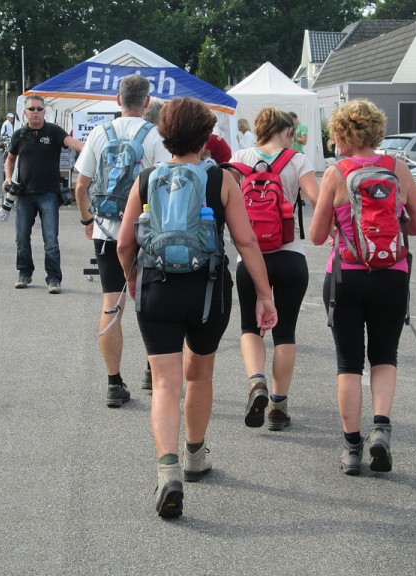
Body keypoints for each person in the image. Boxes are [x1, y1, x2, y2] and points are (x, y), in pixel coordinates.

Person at [116, 97, 278, 518]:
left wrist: (134, 280)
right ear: (206, 137)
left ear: (164, 135)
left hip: (157, 287)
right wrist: (264, 294)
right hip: (207, 290)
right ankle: (194, 454)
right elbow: (245, 241)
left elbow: (123, 243)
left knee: (166, 382)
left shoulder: (146, 178)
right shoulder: (221, 179)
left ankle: (166, 468)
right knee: (199, 371)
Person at [309, 99, 416, 476]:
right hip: (392, 275)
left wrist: (343, 227)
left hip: (347, 274)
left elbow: (315, 236)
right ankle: (381, 428)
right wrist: (391, 228)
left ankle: (351, 449)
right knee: (385, 356)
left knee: (348, 363)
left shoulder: (336, 173)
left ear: (344, 133)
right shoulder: (398, 169)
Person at [73, 75, 171, 407]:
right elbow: (165, 184)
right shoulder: (155, 135)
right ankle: (150, 370)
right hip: (146, 232)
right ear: (147, 102)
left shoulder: (100, 133)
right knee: (153, 300)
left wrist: (88, 221)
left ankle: (114, 382)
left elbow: (80, 186)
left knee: (111, 303)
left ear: (118, 100)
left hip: (106, 230)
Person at [228, 108, 319, 431]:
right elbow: (315, 199)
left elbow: (223, 198)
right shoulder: (297, 160)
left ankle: (256, 382)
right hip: (290, 254)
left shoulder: (240, 156)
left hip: (250, 258)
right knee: (285, 332)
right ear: (284, 131)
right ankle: (279, 406)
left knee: (249, 327)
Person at [0, 95, 83, 294]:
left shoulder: (53, 131)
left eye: (39, 109)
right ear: (25, 113)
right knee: (21, 238)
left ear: (45, 112)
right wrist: (7, 178)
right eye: (31, 109)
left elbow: (74, 143)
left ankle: (54, 279)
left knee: (51, 239)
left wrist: (89, 149)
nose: (35, 112)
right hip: (25, 195)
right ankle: (24, 273)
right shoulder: (19, 134)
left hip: (49, 195)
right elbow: (10, 159)